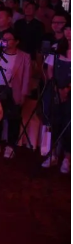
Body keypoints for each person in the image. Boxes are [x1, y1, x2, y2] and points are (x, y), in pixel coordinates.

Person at [0, 30, 31, 159]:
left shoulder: (24, 56)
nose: (5, 42)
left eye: (9, 39)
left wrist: (23, 94)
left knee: (13, 119)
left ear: (16, 42)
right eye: (3, 39)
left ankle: (10, 146)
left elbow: (26, 77)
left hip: (13, 90)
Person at [41, 22, 71, 173]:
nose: (69, 32)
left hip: (69, 93)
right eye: (67, 29)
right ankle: (51, 154)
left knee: (68, 124)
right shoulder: (56, 47)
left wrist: (67, 89)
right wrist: (56, 88)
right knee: (53, 121)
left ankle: (67, 158)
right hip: (55, 90)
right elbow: (50, 69)